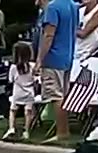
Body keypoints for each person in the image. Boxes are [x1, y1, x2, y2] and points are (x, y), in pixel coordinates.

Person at [36, 0, 79, 141]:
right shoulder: (73, 5)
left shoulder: (53, 7)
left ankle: (62, 132)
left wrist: (39, 60)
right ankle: (64, 130)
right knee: (64, 95)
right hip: (68, 56)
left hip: (53, 57)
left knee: (56, 96)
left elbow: (49, 35)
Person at [4, 41, 39, 139]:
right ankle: (26, 131)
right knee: (28, 111)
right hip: (29, 92)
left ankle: (11, 128)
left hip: (17, 92)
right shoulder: (32, 66)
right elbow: (36, 79)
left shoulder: (13, 67)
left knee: (13, 110)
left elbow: (11, 80)